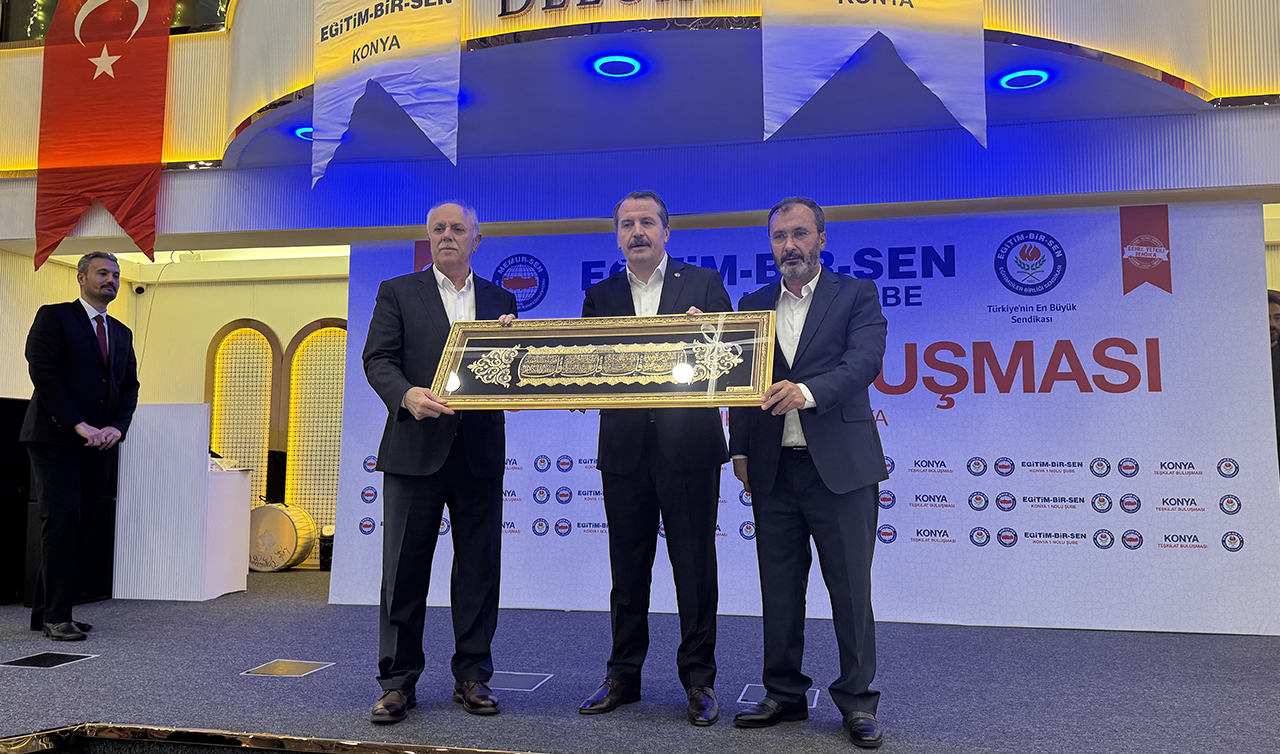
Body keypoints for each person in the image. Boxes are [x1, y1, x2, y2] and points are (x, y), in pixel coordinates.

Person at [728, 197, 889, 749]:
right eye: (779, 237)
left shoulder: (857, 294)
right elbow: (742, 384)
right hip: (773, 470)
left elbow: (864, 362)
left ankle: (858, 701)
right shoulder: (752, 304)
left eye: (799, 234)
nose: (789, 246)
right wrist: (740, 451)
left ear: (821, 237)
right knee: (778, 589)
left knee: (850, 588)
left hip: (842, 469)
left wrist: (806, 392)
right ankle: (784, 693)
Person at [578, 190, 732, 726]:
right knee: (627, 569)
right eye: (627, 224)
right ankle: (623, 675)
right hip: (624, 452)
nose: (637, 231)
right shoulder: (599, 295)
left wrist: (705, 335)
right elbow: (587, 372)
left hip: (689, 449)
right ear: (617, 236)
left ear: (667, 232)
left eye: (647, 222)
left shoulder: (704, 284)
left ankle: (699, 680)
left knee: (694, 568)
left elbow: (732, 359)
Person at [363, 202, 517, 724]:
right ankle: (397, 683)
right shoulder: (397, 292)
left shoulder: (501, 300)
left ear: (477, 239)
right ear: (429, 238)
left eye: (457, 228)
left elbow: (510, 372)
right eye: (438, 229)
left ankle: (473, 676)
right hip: (413, 451)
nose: (447, 235)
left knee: (478, 571)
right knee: (403, 573)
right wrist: (405, 394)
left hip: (478, 453)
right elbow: (377, 360)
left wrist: (514, 348)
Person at [22, 251, 139, 642]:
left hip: (100, 444)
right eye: (103, 273)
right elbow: (44, 372)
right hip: (55, 438)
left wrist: (117, 428)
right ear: (81, 277)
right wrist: (78, 424)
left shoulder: (121, 332)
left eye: (116, 275)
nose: (111, 280)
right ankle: (58, 616)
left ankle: (46, 612)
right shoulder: (55, 317)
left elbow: (129, 387)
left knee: (82, 524)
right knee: (63, 520)